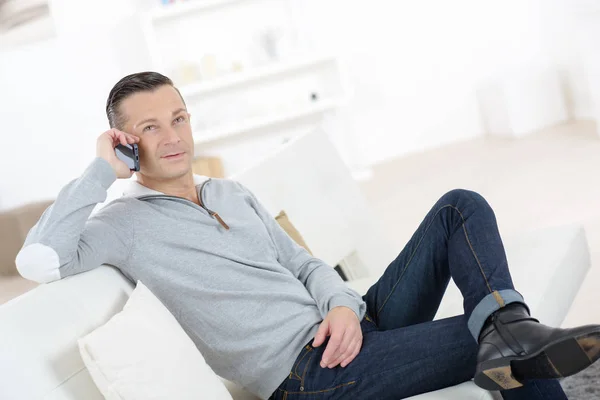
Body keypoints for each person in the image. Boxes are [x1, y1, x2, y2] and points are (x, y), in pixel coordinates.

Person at [16, 72, 600, 400]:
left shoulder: (231, 193)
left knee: (458, 208)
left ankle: (511, 324)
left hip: (346, 327)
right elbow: (40, 259)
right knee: (499, 346)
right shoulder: (122, 225)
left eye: (179, 118)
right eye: (149, 127)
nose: (172, 137)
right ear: (124, 141)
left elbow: (306, 264)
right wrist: (100, 170)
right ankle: (513, 332)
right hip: (306, 378)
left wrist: (344, 306)